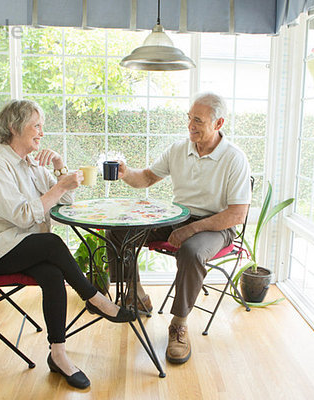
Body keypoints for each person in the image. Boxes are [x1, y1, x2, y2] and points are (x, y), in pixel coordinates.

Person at [0, 99, 134, 390]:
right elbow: (24, 216)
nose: (41, 133)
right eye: (36, 126)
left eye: (42, 126)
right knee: (50, 243)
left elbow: (65, 199)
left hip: (12, 243)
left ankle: (58, 355)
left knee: (52, 274)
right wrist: (59, 186)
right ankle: (94, 298)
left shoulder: (29, 164)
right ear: (14, 128)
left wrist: (60, 168)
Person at [107, 92, 251, 364]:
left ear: (218, 123)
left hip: (216, 225)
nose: (190, 125)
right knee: (118, 231)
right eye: (189, 118)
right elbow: (148, 178)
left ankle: (179, 325)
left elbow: (237, 213)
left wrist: (192, 230)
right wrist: (126, 173)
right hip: (176, 216)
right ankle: (136, 294)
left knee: (191, 252)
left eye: (198, 120)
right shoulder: (178, 150)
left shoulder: (234, 158)